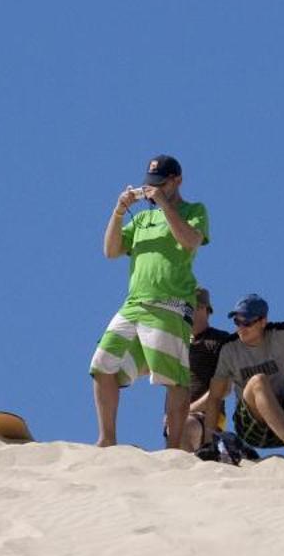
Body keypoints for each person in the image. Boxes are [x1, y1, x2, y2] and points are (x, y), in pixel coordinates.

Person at [90, 154, 209, 449]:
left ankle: (175, 447)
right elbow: (111, 250)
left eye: (161, 184)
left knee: (172, 379)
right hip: (134, 304)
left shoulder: (194, 210)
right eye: (150, 185)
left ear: (176, 181)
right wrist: (119, 212)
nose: (154, 190)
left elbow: (190, 240)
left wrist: (166, 204)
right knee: (102, 365)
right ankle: (107, 439)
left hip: (170, 304)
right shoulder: (142, 219)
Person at [191, 294, 284, 460]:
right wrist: (210, 442)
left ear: (263, 322)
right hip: (252, 425)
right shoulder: (230, 349)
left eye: (247, 322)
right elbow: (215, 397)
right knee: (258, 380)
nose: (241, 327)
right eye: (237, 322)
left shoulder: (279, 334)